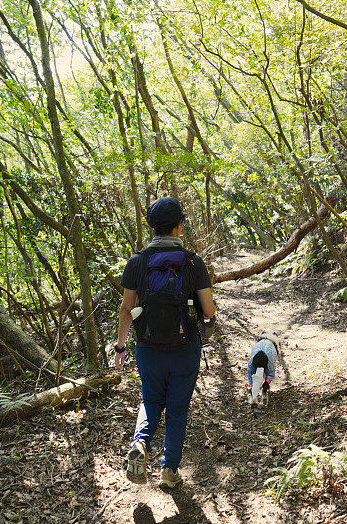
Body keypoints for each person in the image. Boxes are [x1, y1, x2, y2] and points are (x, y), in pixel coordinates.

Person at [114, 197, 216, 489]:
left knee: (151, 400)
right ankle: (169, 472)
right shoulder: (193, 262)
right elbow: (208, 311)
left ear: (152, 227)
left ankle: (141, 443)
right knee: (177, 410)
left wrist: (121, 347)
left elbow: (126, 308)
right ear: (179, 225)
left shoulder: (137, 262)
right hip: (185, 348)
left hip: (147, 347)